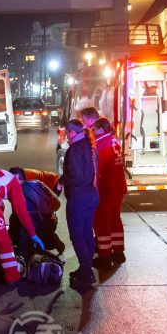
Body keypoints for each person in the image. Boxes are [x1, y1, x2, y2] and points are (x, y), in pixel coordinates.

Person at [61, 119, 100, 290]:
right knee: (86, 234)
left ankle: (86, 273)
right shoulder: (90, 147)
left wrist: (62, 179)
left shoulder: (75, 150)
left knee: (77, 236)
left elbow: (76, 176)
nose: (66, 136)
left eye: (67, 133)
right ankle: (86, 268)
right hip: (91, 195)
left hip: (80, 197)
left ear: (72, 133)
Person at [91, 118, 128, 267]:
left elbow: (97, 171)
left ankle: (104, 256)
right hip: (118, 188)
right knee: (115, 219)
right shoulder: (114, 141)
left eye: (94, 129)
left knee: (102, 222)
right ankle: (118, 252)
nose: (92, 132)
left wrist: (93, 188)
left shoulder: (101, 145)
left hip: (106, 189)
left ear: (100, 130)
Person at [8, 167, 64, 256]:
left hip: (41, 223)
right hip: (50, 220)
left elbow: (20, 214)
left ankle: (27, 254)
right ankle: (50, 239)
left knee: (19, 226)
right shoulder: (36, 182)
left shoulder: (20, 190)